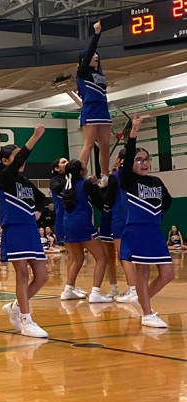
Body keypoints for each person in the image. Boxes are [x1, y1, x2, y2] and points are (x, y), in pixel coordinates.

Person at [119, 115, 174, 328]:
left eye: (147, 159)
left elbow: (167, 200)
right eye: (139, 160)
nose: (144, 163)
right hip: (137, 231)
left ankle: (142, 302)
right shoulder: (129, 181)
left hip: (154, 231)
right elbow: (129, 152)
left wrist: (157, 216)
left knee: (167, 274)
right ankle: (147, 314)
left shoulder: (156, 181)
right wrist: (133, 132)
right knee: (143, 272)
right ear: (130, 164)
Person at [0, 125, 49, 338]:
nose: (21, 160)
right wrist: (35, 138)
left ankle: (16, 307)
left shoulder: (25, 182)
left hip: (30, 230)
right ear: (5, 161)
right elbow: (19, 160)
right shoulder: (4, 178)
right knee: (23, 274)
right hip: (15, 229)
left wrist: (38, 211)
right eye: (16, 157)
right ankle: (26, 320)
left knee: (43, 276)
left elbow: (43, 198)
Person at [59, 160, 112, 303]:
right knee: (102, 258)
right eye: (83, 165)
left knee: (77, 259)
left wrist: (92, 184)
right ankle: (96, 293)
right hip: (82, 224)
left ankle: (68, 290)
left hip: (68, 224)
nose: (86, 165)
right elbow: (102, 204)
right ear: (81, 171)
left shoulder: (68, 185)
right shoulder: (87, 185)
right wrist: (102, 187)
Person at [104, 148, 139, 303]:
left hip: (119, 218)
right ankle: (136, 288)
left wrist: (99, 188)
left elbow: (108, 200)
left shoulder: (116, 177)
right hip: (136, 218)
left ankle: (133, 290)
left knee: (124, 255)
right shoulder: (136, 177)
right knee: (132, 255)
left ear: (119, 160)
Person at [77, 20, 110, 176]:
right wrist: (97, 34)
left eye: (97, 55)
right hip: (90, 109)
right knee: (89, 143)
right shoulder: (83, 72)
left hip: (103, 109)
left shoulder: (99, 74)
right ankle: (79, 173)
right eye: (93, 54)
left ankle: (104, 174)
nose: (95, 56)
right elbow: (89, 51)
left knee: (105, 145)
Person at [50, 157, 68, 249]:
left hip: (72, 208)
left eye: (67, 161)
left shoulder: (71, 177)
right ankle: (61, 240)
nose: (67, 163)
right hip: (61, 207)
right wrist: (68, 181)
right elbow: (56, 188)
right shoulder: (54, 179)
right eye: (64, 162)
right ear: (57, 168)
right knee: (61, 218)